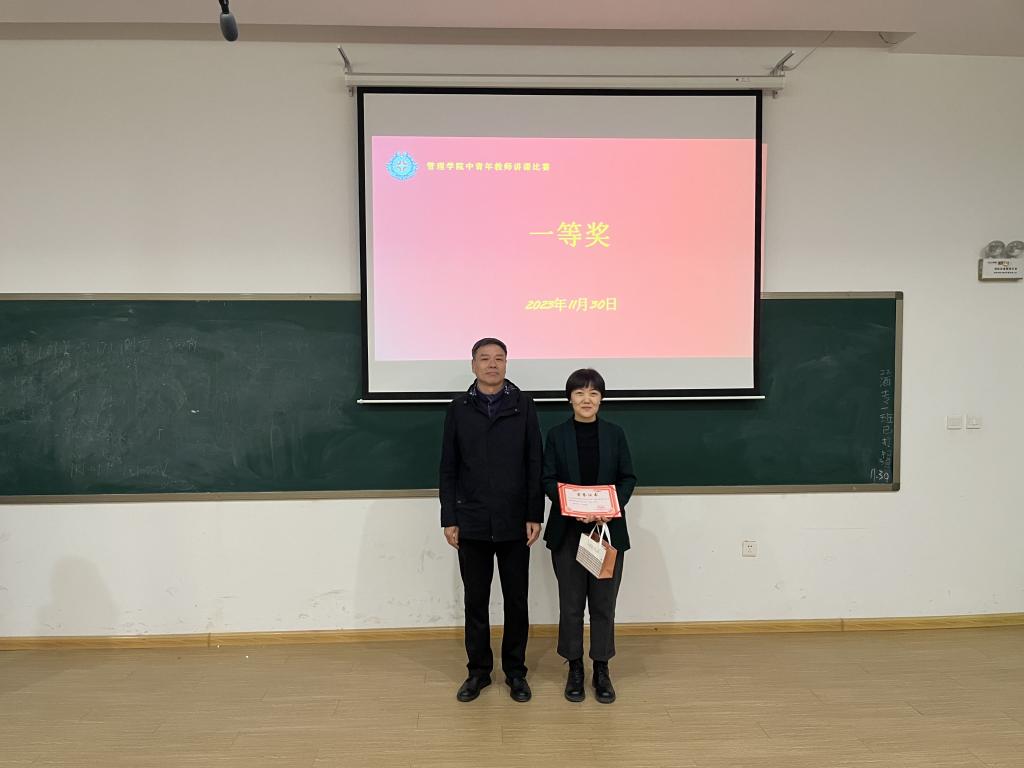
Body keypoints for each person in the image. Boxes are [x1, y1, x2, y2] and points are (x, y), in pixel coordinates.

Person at [439, 337, 544, 703]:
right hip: (471, 520)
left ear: (506, 364)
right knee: (476, 601)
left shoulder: (524, 405)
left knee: (516, 601)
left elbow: (534, 462)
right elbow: (448, 466)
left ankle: (516, 672)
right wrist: (449, 517)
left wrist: (534, 513)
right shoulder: (459, 407)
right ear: (473, 365)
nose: (492, 364)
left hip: (515, 520)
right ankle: (478, 672)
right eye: (484, 358)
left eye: (499, 358)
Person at [542, 368, 636, 704]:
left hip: (606, 533)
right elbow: (547, 478)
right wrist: (570, 508)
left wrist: (611, 507)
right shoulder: (556, 435)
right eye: (580, 393)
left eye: (593, 393)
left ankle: (601, 668)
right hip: (568, 532)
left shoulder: (615, 434)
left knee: (603, 604)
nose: (587, 399)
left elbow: (627, 478)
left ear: (601, 399)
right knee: (570, 605)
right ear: (569, 398)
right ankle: (574, 667)